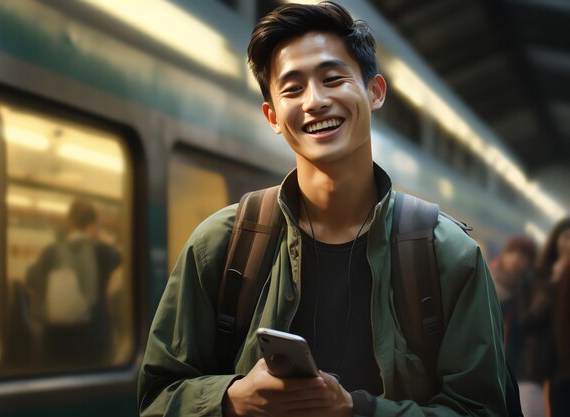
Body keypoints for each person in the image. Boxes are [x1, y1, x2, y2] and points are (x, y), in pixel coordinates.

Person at [138, 3, 507, 416]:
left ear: (375, 91)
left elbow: (482, 409)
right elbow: (157, 395)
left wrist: (357, 410)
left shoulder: (448, 256)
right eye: (292, 89)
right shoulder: (222, 245)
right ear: (273, 116)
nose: (315, 101)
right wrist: (229, 400)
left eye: (333, 79)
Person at [25, 198, 121, 369]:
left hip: (56, 340)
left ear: (69, 222)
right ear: (94, 223)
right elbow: (120, 257)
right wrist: (102, 236)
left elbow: (30, 279)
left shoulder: (51, 251)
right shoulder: (103, 252)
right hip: (93, 340)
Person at [489, 237, 545, 417]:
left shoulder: (528, 294)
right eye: (512, 252)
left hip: (513, 368)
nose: (516, 259)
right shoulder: (487, 279)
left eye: (523, 256)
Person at [534, 218, 570, 417]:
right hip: (552, 371)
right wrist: (555, 281)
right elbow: (531, 321)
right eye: (566, 237)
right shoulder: (540, 275)